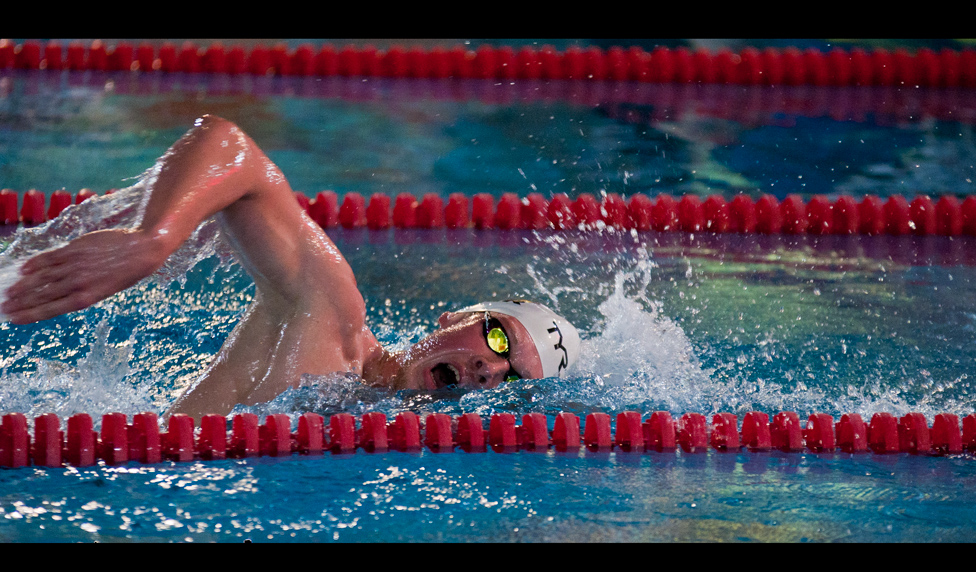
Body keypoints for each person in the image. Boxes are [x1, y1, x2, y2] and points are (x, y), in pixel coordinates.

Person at [0, 115, 580, 420]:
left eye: (513, 377)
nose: (487, 369)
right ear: (456, 316)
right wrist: (153, 239)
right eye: (498, 336)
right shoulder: (331, 319)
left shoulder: (376, 430)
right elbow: (232, 147)